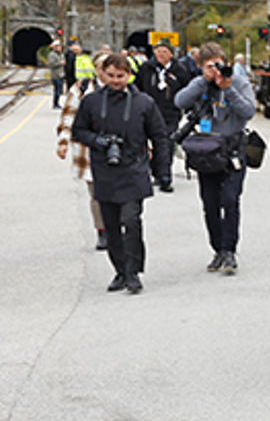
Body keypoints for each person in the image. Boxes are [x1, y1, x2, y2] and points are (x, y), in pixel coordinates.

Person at [70, 53, 171, 295]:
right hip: (105, 170)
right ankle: (120, 271)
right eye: (112, 76)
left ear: (129, 75)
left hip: (134, 169)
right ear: (103, 74)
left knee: (131, 221)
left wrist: (163, 170)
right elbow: (78, 130)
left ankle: (134, 271)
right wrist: (97, 140)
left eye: (121, 76)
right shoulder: (92, 101)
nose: (116, 81)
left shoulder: (144, 102)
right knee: (112, 226)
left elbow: (159, 136)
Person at [173, 42, 257, 274]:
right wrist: (203, 81)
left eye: (219, 64)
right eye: (209, 66)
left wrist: (227, 87)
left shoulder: (239, 82)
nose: (216, 70)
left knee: (230, 199)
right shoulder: (200, 84)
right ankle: (218, 248)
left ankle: (230, 249)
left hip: (232, 147)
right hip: (207, 150)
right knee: (210, 203)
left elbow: (249, 111)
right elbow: (179, 101)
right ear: (200, 67)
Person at [56, 61, 106, 250]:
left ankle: (116, 227)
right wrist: (63, 142)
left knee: (118, 193)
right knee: (96, 193)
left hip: (118, 151)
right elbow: (68, 116)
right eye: (102, 67)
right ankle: (102, 231)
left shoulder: (124, 88)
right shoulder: (82, 89)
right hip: (88, 151)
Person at [134, 41, 191, 192]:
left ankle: (165, 176)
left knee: (166, 141)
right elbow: (137, 86)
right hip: (149, 111)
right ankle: (156, 172)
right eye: (158, 52)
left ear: (171, 54)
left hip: (170, 112)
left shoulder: (179, 70)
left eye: (164, 52)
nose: (161, 55)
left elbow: (188, 90)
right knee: (152, 143)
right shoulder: (146, 68)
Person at [46, 41, 65, 109]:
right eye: (58, 46)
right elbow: (51, 64)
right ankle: (55, 103)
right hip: (55, 75)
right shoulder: (52, 55)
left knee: (59, 90)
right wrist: (61, 63)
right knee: (57, 90)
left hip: (61, 75)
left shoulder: (61, 54)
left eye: (60, 46)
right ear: (55, 47)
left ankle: (57, 103)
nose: (59, 47)